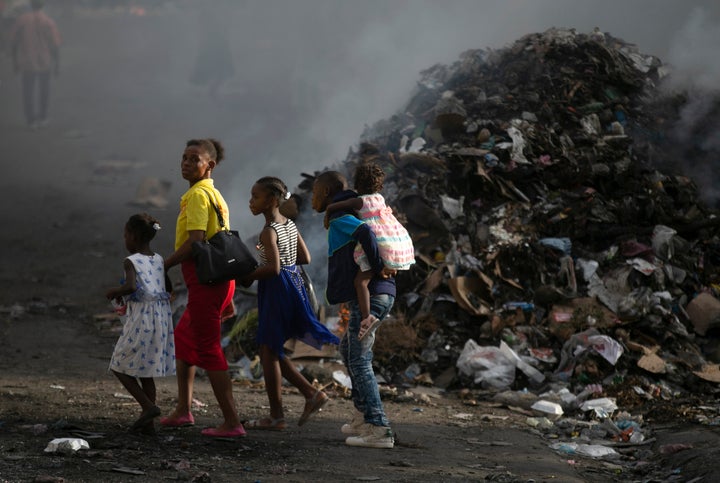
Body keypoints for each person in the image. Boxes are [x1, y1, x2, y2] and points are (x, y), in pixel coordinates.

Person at [161, 138, 245, 438]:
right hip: (219, 281)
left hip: (206, 282)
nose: (185, 163)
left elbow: (197, 240)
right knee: (184, 339)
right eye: (183, 157)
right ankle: (183, 409)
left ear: (209, 165)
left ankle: (232, 422)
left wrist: (166, 263)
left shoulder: (197, 195)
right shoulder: (214, 194)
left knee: (209, 349)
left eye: (193, 158)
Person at [241, 176, 339, 430]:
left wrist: (247, 274)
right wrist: (283, 260)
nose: (251, 202)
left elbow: (272, 268)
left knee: (268, 349)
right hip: (293, 284)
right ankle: (308, 395)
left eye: (255, 197)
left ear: (272, 200)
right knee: (270, 349)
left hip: (276, 289)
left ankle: (277, 416)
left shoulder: (267, 231)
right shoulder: (289, 225)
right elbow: (304, 257)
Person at [311, 170, 397, 449]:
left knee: (360, 359)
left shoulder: (339, 217)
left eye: (314, 193)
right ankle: (363, 415)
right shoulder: (350, 208)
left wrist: (375, 267)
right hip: (376, 295)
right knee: (348, 350)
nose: (311, 199)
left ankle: (379, 428)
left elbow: (364, 232)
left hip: (372, 296)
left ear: (325, 193)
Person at [324, 161, 415, 339]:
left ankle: (367, 318)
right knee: (378, 272)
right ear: (379, 185)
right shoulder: (380, 199)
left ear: (357, 184)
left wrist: (329, 212)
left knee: (361, 282)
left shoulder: (359, 201)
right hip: (390, 240)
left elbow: (336, 207)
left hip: (377, 240)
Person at [105, 213, 175, 435]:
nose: (124, 239)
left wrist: (114, 292)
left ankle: (148, 407)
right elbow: (168, 288)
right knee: (146, 371)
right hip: (161, 318)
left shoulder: (131, 261)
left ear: (133, 237)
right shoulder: (159, 259)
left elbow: (131, 287)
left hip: (142, 319)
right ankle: (148, 425)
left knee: (118, 363)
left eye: (125, 235)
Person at [8, 0, 60, 128]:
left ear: (31, 5)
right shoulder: (48, 21)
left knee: (28, 91)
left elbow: (13, 41)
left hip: (27, 61)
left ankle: (31, 121)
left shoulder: (21, 20)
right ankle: (43, 118)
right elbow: (55, 45)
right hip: (45, 61)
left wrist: (15, 61)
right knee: (44, 90)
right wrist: (57, 64)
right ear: (43, 5)